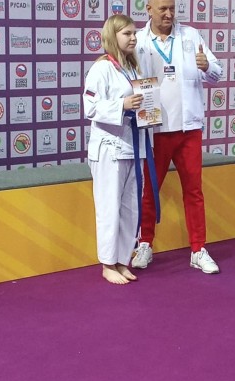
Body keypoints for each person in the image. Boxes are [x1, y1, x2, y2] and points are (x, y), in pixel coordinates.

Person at [132, 0, 223, 274]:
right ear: (148, 9)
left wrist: (206, 66)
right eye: (163, 9)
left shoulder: (191, 35)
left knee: (194, 191)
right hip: (155, 130)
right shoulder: (138, 41)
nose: (169, 14)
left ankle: (198, 249)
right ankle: (144, 244)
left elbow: (217, 74)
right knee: (150, 191)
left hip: (188, 129)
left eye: (172, 8)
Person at [83, 14, 147, 284]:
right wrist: (122, 105)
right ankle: (107, 264)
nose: (133, 38)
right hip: (109, 148)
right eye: (127, 34)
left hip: (134, 145)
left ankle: (122, 260)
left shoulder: (134, 69)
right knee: (109, 208)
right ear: (113, 36)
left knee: (131, 208)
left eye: (134, 33)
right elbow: (90, 108)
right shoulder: (101, 68)